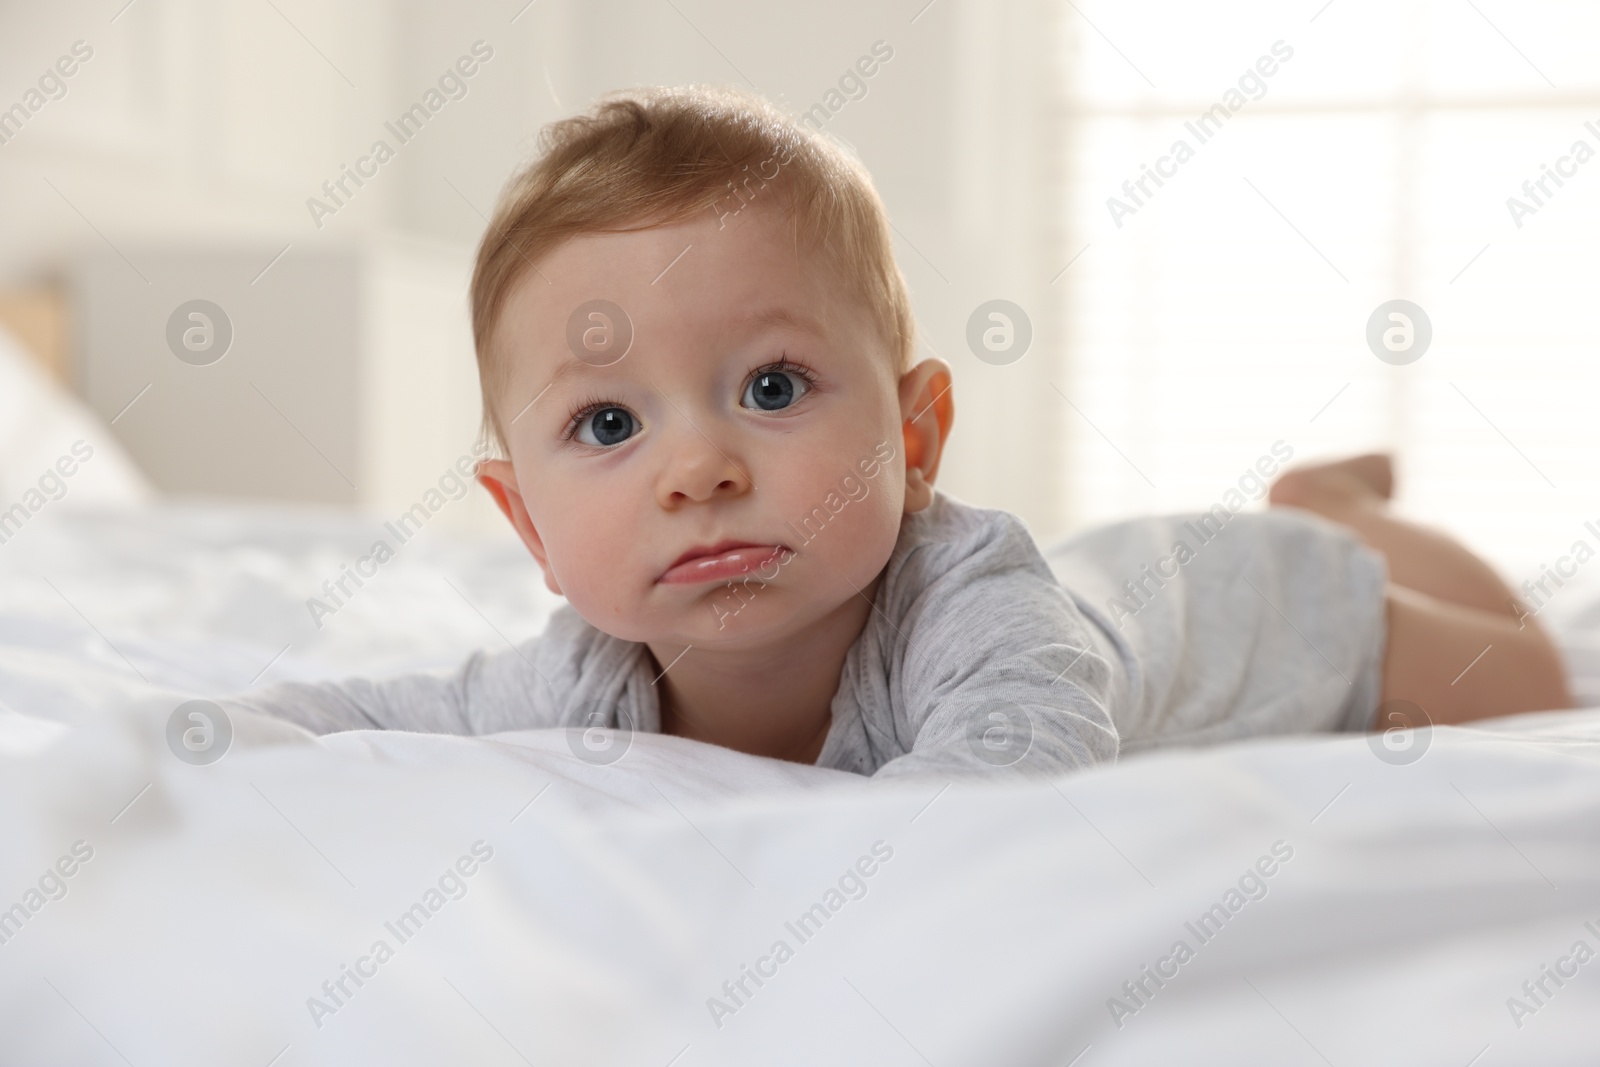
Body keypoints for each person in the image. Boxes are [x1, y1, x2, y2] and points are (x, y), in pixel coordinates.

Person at [222, 86, 1569, 777]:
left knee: (1538, 689)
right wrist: (220, 737)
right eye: (611, 422)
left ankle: (1335, 514)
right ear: (524, 525)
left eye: (771, 387)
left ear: (918, 436)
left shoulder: (978, 614)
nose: (700, 469)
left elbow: (1003, 782)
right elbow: (382, 713)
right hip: (1140, 583)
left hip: (1285, 614)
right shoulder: (585, 674)